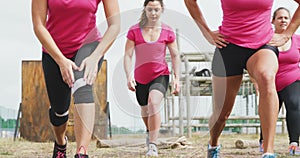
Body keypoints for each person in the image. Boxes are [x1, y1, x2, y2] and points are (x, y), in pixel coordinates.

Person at [184, 0, 300, 158]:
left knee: (266, 77)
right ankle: (213, 143)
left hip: (262, 45)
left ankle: (268, 152)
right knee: (221, 113)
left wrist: (287, 34)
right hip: (228, 46)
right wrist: (206, 32)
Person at [31, 0, 120, 157]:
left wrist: (95, 56)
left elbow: (114, 25)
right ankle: (60, 143)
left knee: (82, 87)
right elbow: (39, 25)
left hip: (88, 47)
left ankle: (82, 152)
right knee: (59, 110)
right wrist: (60, 60)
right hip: (54, 50)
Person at [123, 0, 180, 156]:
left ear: (162, 9)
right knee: (145, 109)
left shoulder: (167, 31)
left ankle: (153, 146)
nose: (153, 13)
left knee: (153, 103)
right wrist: (128, 76)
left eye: (156, 10)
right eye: (150, 10)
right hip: (140, 78)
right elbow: (127, 55)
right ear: (145, 10)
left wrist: (176, 78)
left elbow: (175, 55)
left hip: (160, 75)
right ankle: (150, 132)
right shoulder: (134, 30)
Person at [257, 7, 300, 156]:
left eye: (286, 18)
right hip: (271, 82)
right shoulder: (266, 40)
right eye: (280, 18)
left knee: (295, 103)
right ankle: (264, 141)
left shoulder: (297, 39)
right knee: (269, 110)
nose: (283, 20)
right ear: (273, 21)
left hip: (292, 79)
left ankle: (294, 142)